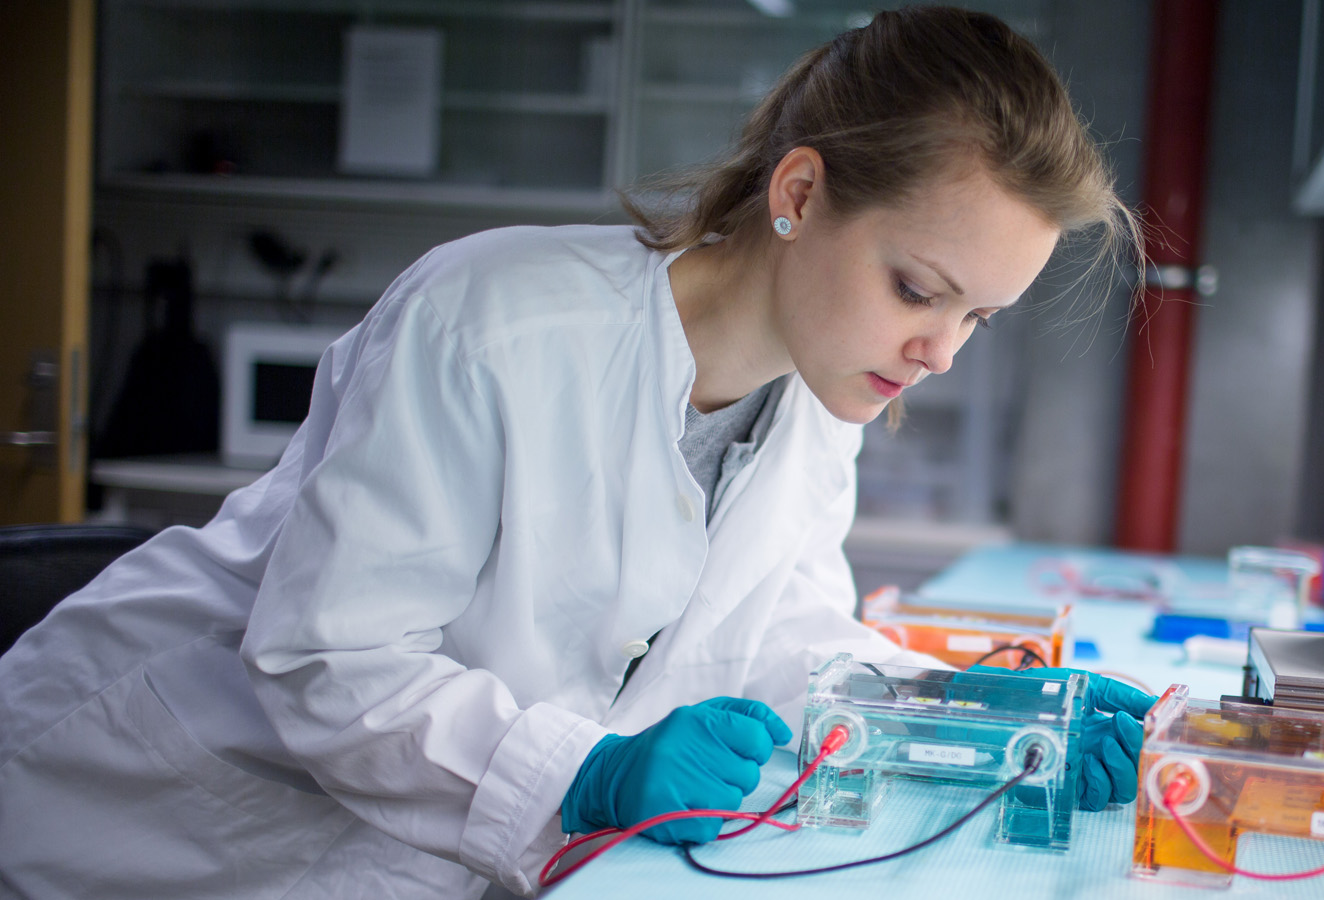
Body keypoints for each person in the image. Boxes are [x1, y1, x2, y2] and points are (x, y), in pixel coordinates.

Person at [0, 7, 1146, 899]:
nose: (940, 353)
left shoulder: (810, 411)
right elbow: (325, 663)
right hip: (156, 823)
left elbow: (772, 652)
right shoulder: (498, 320)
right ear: (800, 192)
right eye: (919, 291)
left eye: (975, 320)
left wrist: (970, 708)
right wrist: (585, 777)